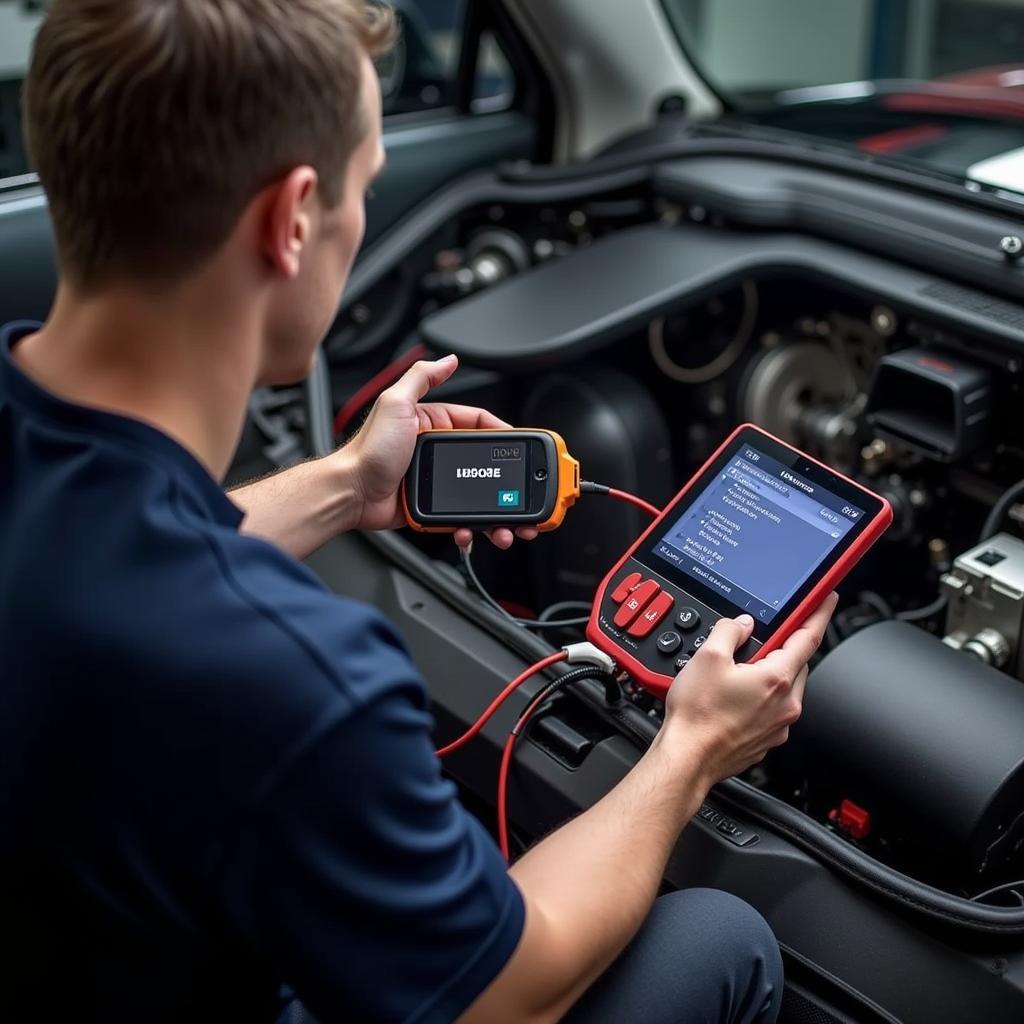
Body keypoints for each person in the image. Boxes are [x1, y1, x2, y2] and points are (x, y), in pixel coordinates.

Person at [0, 2, 834, 1022]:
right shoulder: (288, 673)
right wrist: (694, 747)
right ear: (293, 219)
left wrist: (351, 484)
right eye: (365, 187)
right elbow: (503, 997)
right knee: (722, 938)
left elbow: (111, 551)